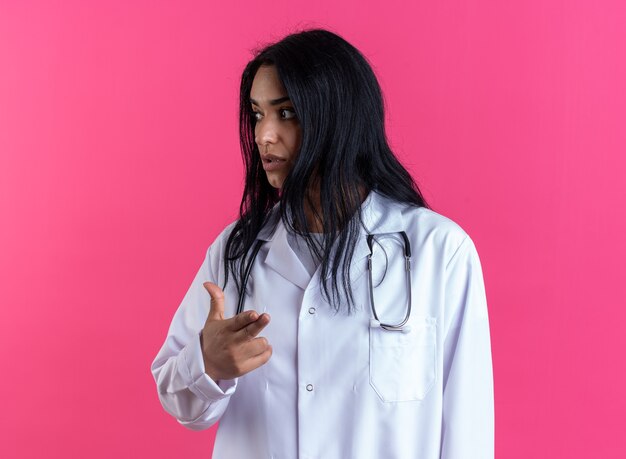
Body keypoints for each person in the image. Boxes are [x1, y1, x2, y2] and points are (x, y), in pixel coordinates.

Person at [151, 28, 494, 458]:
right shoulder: (236, 252)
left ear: (338, 118)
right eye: (257, 114)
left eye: (287, 113)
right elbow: (178, 399)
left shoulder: (437, 252)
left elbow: (468, 430)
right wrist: (207, 363)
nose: (264, 136)